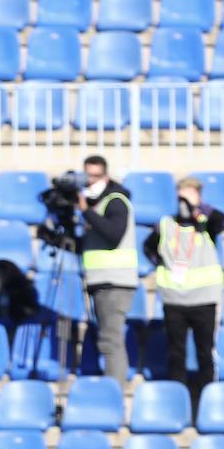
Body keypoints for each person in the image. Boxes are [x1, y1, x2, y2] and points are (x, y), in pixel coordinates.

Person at [143, 177, 224, 409]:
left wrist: (199, 208)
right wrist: (163, 264)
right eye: (180, 195)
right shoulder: (166, 224)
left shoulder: (205, 223)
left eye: (188, 195)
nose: (183, 201)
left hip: (204, 299)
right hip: (174, 300)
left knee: (204, 354)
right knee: (175, 354)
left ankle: (206, 403)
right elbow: (149, 247)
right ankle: (177, 404)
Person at [77, 155, 139, 389]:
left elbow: (113, 235)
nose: (89, 182)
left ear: (105, 176)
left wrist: (86, 212)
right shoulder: (95, 204)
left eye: (94, 176)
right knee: (106, 339)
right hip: (100, 280)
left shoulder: (115, 200)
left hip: (115, 282)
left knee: (110, 341)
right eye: (87, 176)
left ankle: (115, 393)